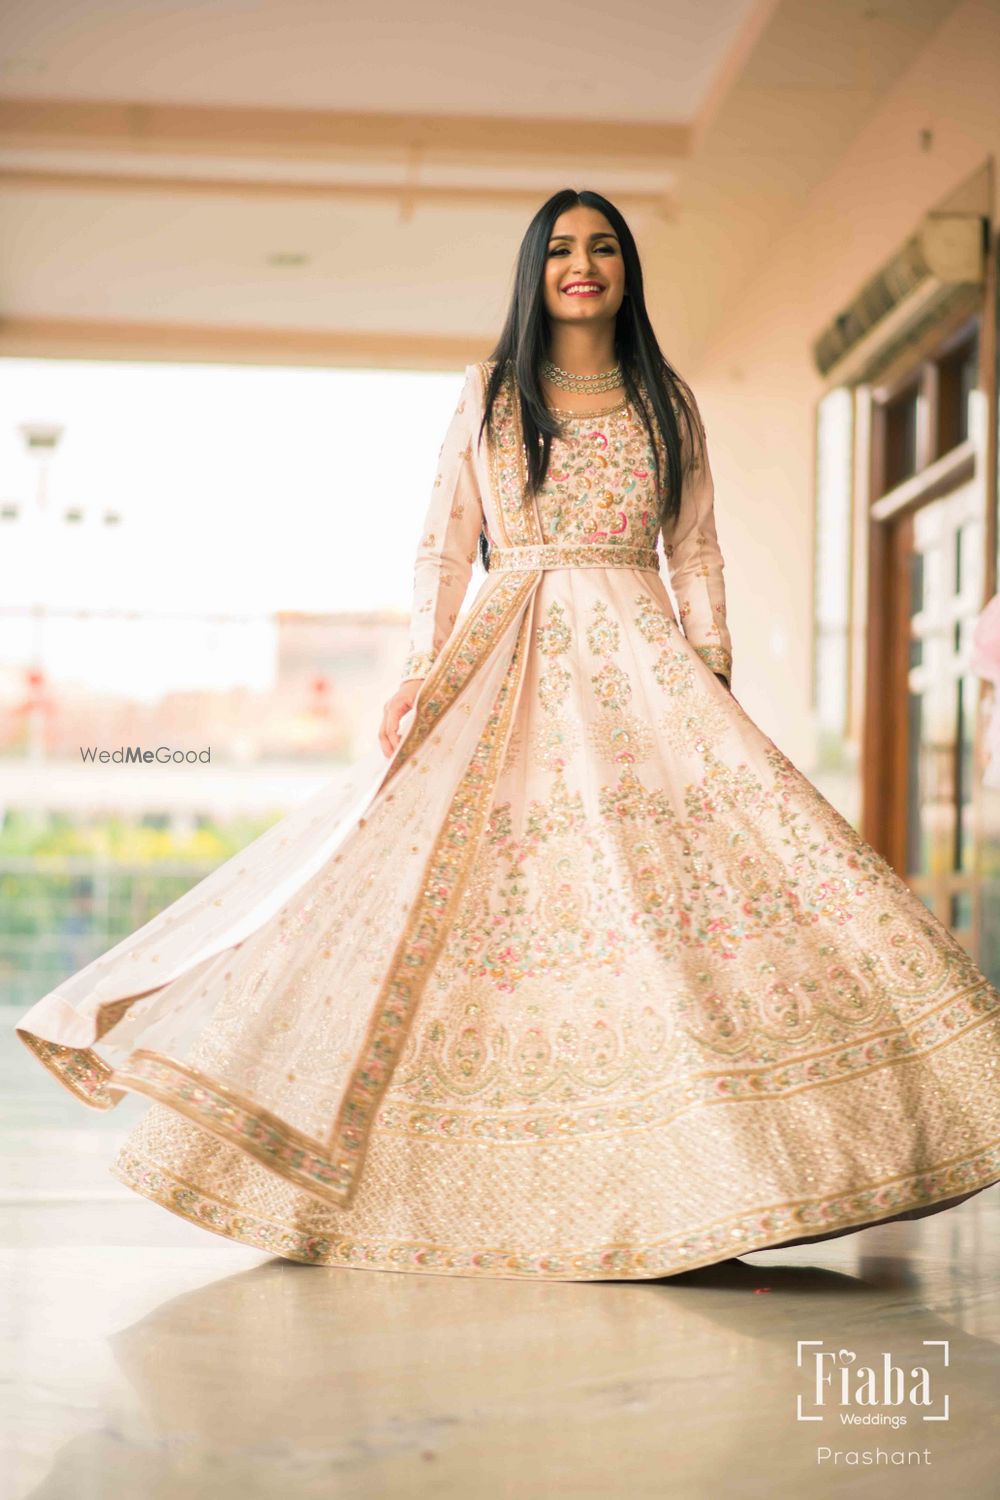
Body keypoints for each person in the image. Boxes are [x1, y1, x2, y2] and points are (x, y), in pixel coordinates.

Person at [15, 189, 1000, 1281]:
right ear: (534, 273)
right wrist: (416, 671)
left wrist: (710, 670)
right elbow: (441, 546)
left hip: (646, 665)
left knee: (679, 904)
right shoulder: (490, 394)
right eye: (563, 250)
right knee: (475, 897)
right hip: (510, 655)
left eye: (605, 248)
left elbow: (698, 550)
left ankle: (720, 1179)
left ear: (627, 270)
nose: (584, 265)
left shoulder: (666, 398)